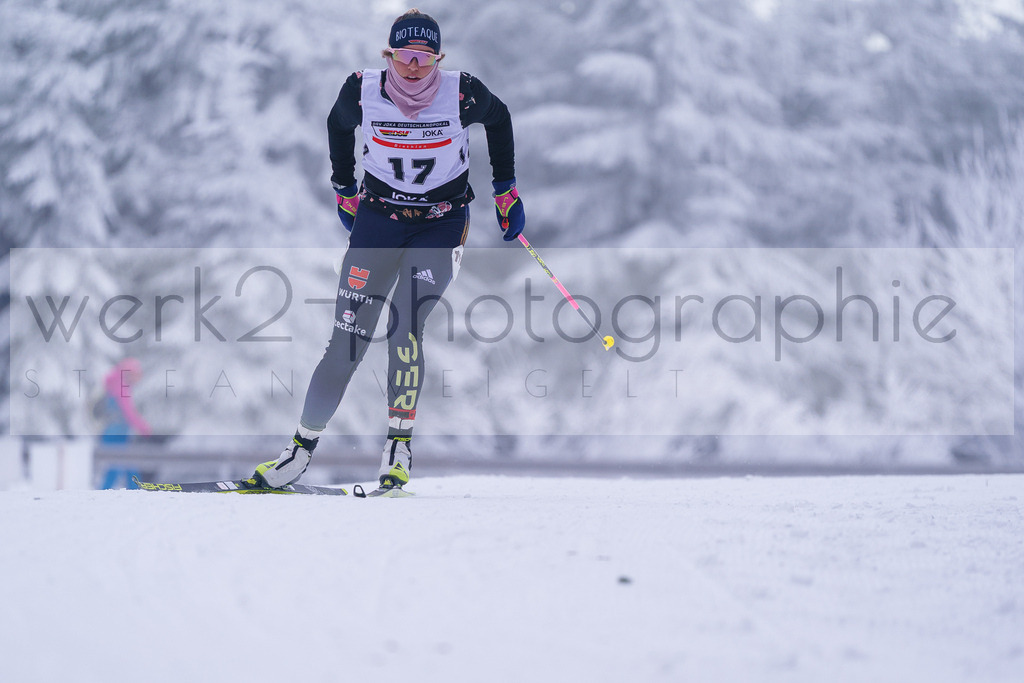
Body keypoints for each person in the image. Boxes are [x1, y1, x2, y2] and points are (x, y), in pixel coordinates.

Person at [253, 9, 525, 494]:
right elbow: (338, 126)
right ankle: (299, 451)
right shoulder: (361, 89)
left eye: (424, 57)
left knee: (405, 324)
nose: (414, 66)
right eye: (404, 55)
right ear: (389, 54)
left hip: (441, 224)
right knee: (347, 340)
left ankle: (398, 446)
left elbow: (499, 118)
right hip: (378, 220)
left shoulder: (462, 91)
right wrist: (343, 188)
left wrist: (505, 190)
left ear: (437, 58)